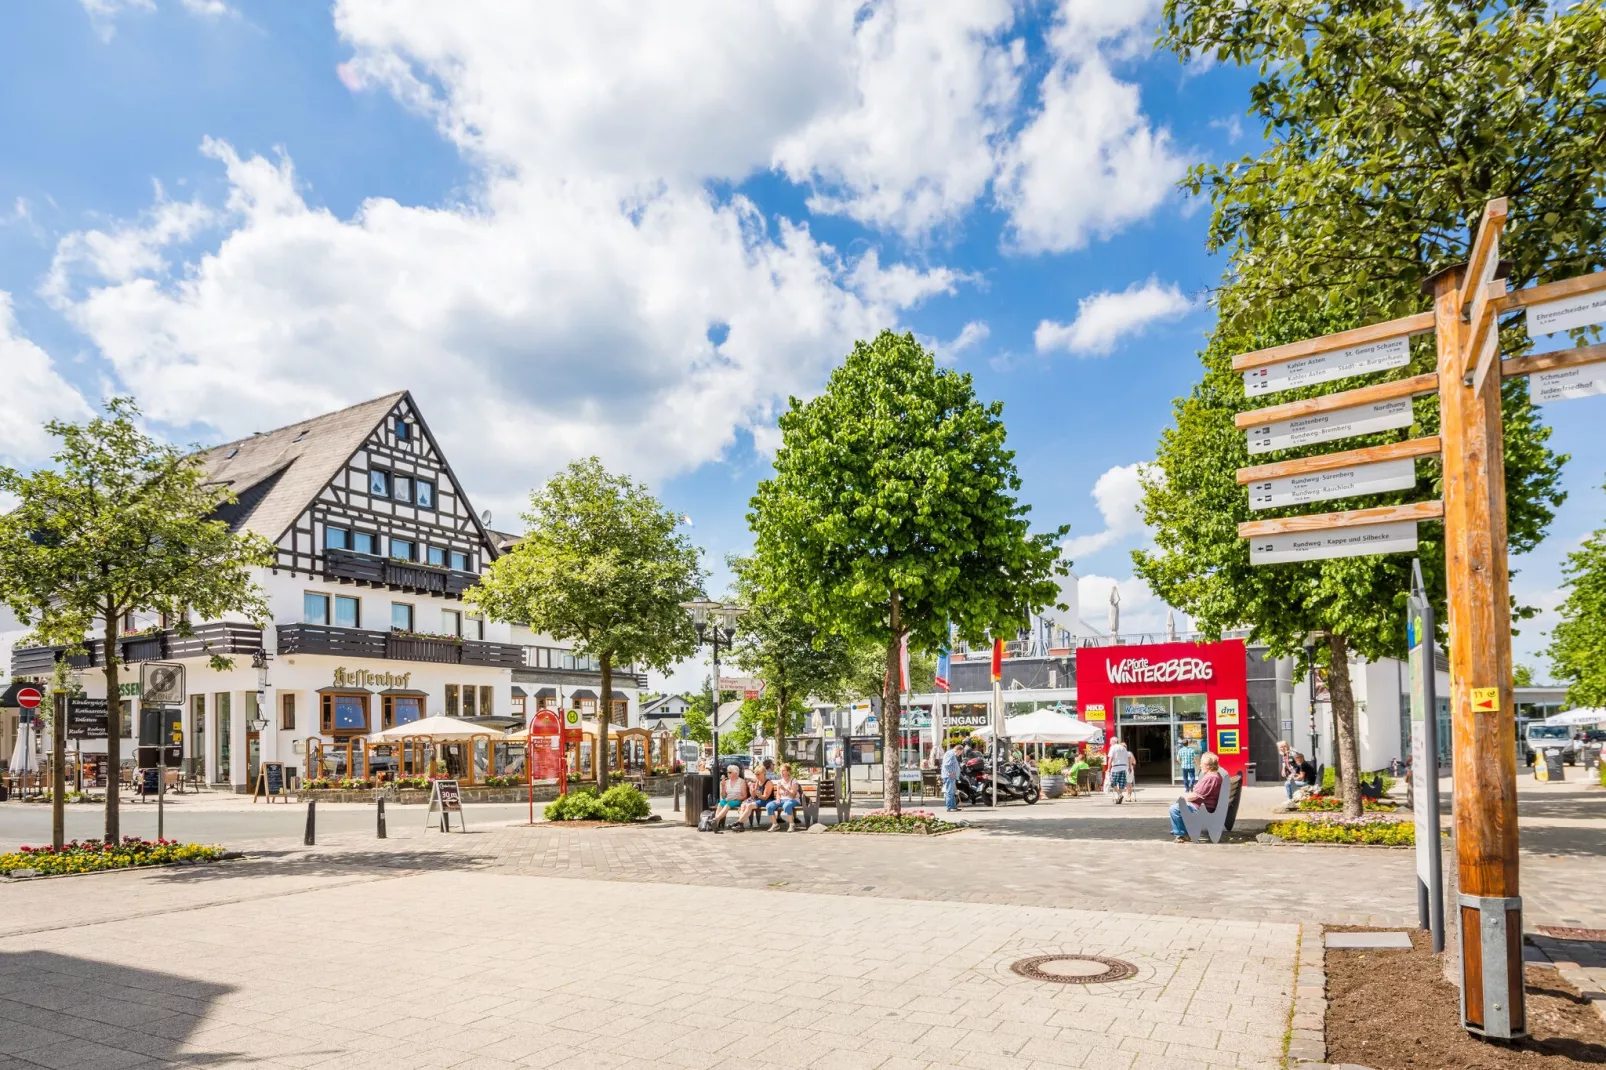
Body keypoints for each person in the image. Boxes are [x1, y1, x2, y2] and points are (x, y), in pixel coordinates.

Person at [1169, 752, 1224, 842]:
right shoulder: (1215, 776)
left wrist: (1184, 798)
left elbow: (1196, 795)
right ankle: (1181, 830)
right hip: (1206, 805)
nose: (1200, 765)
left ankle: (1182, 834)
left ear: (1208, 766)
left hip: (1202, 807)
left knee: (1174, 809)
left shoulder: (1211, 778)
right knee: (1178, 805)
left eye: (1202, 763)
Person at [767, 763, 805, 831]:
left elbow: (793, 795)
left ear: (788, 771)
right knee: (769, 806)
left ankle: (792, 824)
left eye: (783, 770)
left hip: (794, 800)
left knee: (786, 805)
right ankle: (775, 824)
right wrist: (778, 798)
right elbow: (778, 793)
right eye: (780, 770)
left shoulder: (793, 781)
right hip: (782, 800)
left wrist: (784, 789)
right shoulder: (780, 781)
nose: (781, 772)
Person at [714, 764, 747, 830]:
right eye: (727, 772)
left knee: (727, 804)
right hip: (728, 799)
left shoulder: (741, 782)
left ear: (735, 773)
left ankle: (715, 820)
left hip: (737, 800)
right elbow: (723, 796)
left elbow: (744, 796)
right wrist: (723, 787)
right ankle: (716, 825)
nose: (727, 774)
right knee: (720, 804)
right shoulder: (726, 782)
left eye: (729, 772)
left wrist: (735, 798)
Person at [741, 762, 775, 827]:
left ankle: (739, 823)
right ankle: (741, 824)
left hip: (767, 801)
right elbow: (754, 796)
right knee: (744, 805)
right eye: (755, 774)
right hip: (759, 800)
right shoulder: (757, 782)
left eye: (758, 774)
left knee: (749, 806)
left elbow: (765, 797)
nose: (756, 776)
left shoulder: (768, 783)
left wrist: (757, 793)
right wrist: (752, 791)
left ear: (763, 773)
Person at [1105, 738, 1133, 804]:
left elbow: (1110, 758)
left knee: (1112, 782)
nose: (1110, 743)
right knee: (1121, 784)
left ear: (1114, 742)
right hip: (1124, 768)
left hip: (1116, 768)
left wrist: (1108, 768)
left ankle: (1119, 794)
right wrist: (1129, 767)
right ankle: (1118, 798)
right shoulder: (1123, 748)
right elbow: (1128, 758)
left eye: (1110, 742)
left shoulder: (1113, 747)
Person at [941, 742, 961, 812]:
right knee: (950, 791)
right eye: (960, 752)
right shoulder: (951, 754)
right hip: (950, 776)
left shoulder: (950, 753)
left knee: (952, 792)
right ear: (958, 750)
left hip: (951, 776)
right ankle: (950, 807)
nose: (960, 754)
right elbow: (947, 764)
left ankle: (953, 806)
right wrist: (950, 773)